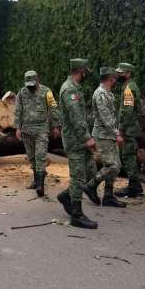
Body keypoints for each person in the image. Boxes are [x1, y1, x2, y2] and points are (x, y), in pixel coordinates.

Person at [56, 59, 98, 229]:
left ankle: (67, 196)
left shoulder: (75, 87)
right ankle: (77, 214)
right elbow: (75, 117)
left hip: (80, 140)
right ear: (80, 70)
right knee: (79, 177)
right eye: (85, 71)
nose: (86, 74)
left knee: (90, 172)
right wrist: (87, 138)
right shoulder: (70, 89)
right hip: (75, 141)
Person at [83, 67, 126, 207]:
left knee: (117, 166)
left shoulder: (108, 93)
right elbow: (105, 116)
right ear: (110, 78)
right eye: (114, 77)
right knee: (112, 165)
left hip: (109, 135)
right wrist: (117, 133)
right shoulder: (101, 93)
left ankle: (108, 196)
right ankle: (91, 185)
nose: (116, 80)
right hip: (103, 135)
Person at [14, 70, 60, 197]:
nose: (31, 86)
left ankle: (40, 185)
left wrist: (56, 125)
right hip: (26, 130)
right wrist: (17, 128)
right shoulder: (22, 93)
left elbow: (53, 108)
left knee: (40, 156)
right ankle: (36, 180)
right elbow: (18, 110)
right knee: (31, 157)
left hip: (41, 130)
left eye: (33, 83)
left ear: (37, 79)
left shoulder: (47, 91)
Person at [114, 62, 144, 198]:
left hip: (129, 129)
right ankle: (135, 185)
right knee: (128, 156)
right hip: (131, 127)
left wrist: (121, 129)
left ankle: (134, 187)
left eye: (121, 73)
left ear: (128, 73)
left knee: (128, 157)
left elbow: (127, 111)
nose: (119, 75)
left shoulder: (128, 89)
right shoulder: (130, 86)